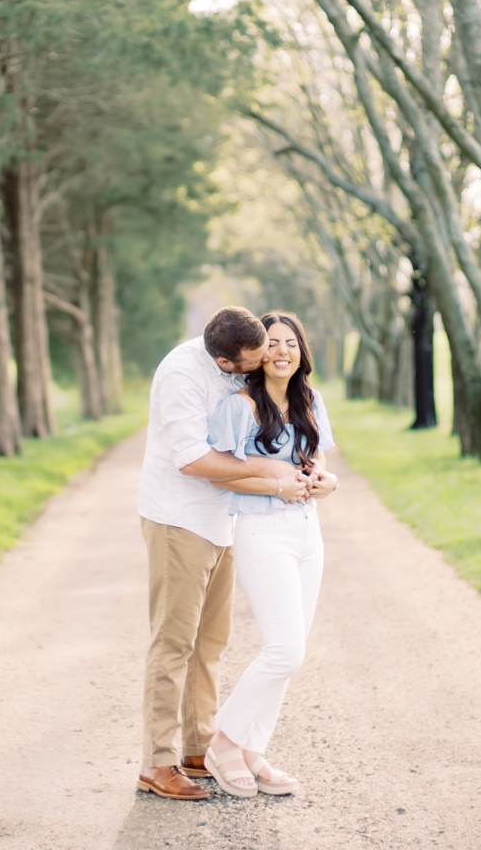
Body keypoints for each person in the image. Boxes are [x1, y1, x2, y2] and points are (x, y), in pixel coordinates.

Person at [135, 306, 312, 801]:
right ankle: (158, 761)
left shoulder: (243, 358)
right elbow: (192, 459)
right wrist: (271, 473)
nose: (260, 367)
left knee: (210, 641)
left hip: (225, 519)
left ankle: (198, 745)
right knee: (174, 643)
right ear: (224, 360)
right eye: (250, 364)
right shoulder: (180, 375)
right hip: (179, 519)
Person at [202, 311, 338, 797]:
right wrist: (277, 487)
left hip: (307, 532)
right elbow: (219, 473)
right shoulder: (238, 406)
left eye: (292, 343)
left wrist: (324, 479)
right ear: (258, 354)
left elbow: (316, 457)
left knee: (292, 652)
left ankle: (253, 751)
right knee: (285, 650)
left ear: (302, 351)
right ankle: (224, 742)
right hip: (262, 529)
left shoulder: (311, 400)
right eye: (273, 343)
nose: (283, 351)